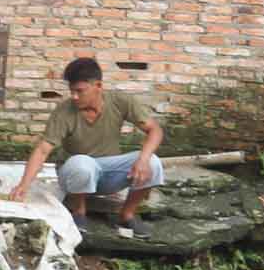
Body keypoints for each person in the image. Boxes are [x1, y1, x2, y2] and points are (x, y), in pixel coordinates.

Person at [9, 57, 164, 237]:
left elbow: (155, 130)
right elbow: (43, 149)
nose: (74, 96)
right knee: (82, 163)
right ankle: (79, 212)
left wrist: (143, 160)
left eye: (80, 91)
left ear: (98, 86)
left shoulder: (121, 102)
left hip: (108, 175)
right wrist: (23, 185)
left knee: (153, 163)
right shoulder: (64, 111)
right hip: (74, 176)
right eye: (72, 91)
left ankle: (127, 214)